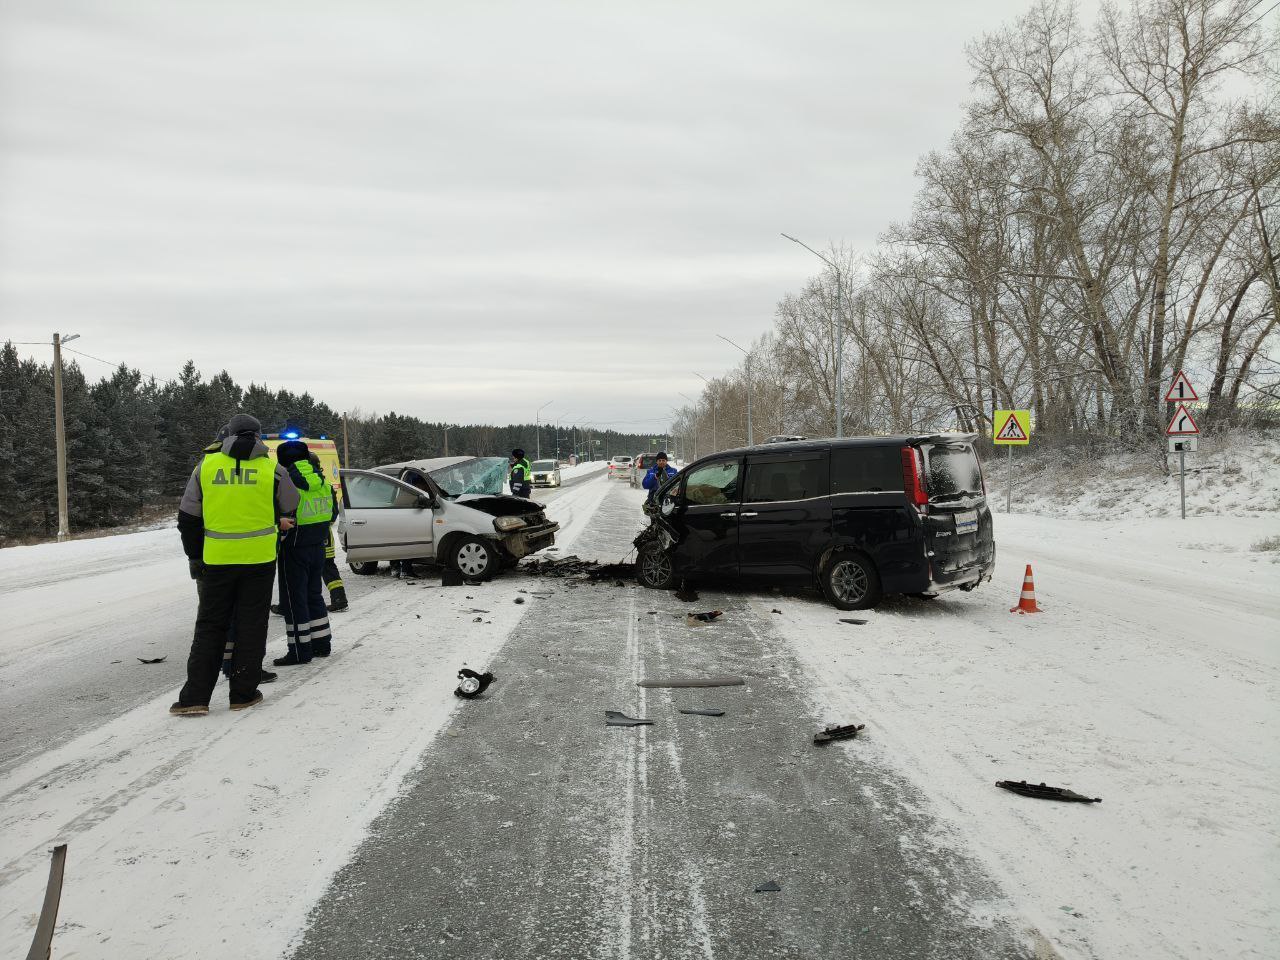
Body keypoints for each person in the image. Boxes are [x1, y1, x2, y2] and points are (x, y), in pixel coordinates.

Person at [171, 414, 300, 716]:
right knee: (251, 626)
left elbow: (187, 519)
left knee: (210, 627)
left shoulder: (206, 467)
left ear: (227, 435)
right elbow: (291, 504)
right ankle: (243, 694)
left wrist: (195, 556)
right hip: (259, 560)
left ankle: (194, 698)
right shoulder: (273, 469)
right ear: (258, 437)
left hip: (216, 561)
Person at [273, 440, 336, 665]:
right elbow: (333, 515)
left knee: (293, 601)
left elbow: (279, 516)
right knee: (314, 595)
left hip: (293, 548)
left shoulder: (285, 483)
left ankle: (299, 651)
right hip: (318, 546)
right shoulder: (323, 482)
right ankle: (322, 644)